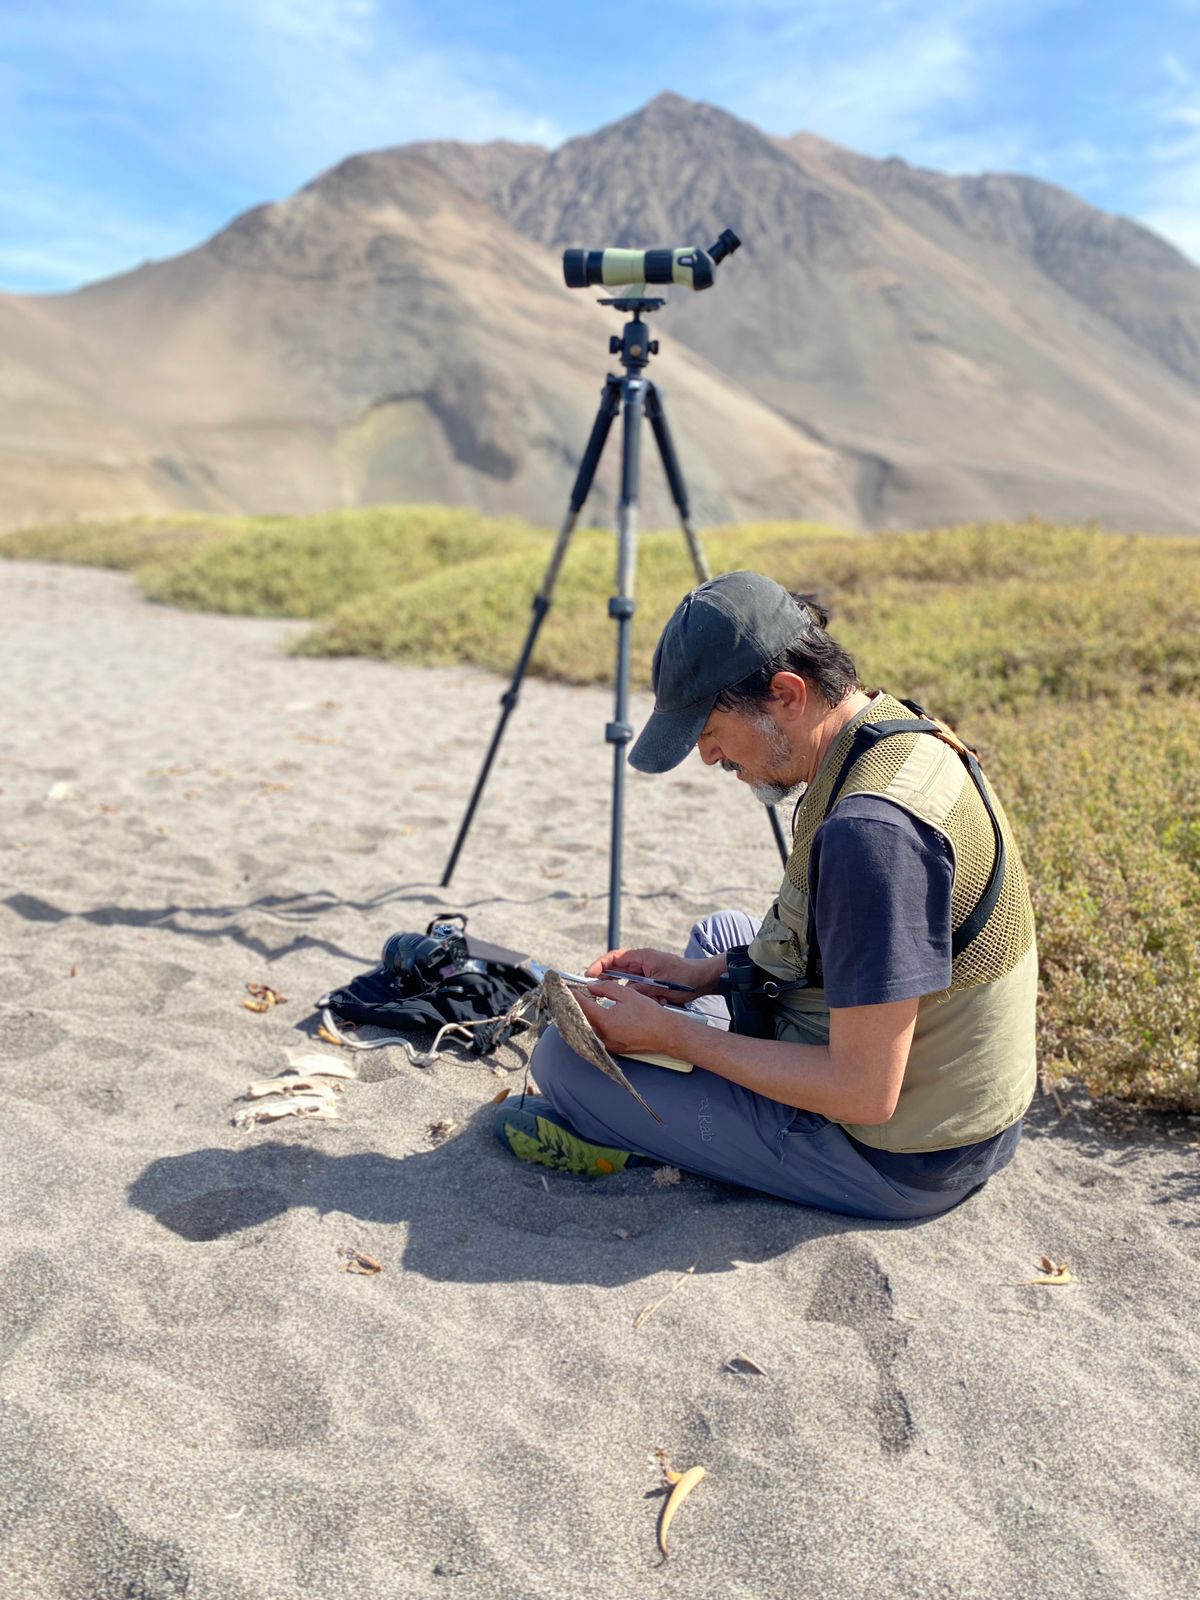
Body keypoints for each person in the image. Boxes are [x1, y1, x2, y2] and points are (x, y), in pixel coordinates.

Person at [496, 571, 1038, 1219]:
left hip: (905, 1158)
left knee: (563, 1066)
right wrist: (700, 978)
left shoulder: (872, 835)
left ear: (785, 694)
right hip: (966, 1109)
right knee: (723, 934)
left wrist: (672, 1035)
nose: (707, 755)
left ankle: (645, 1143)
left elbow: (865, 1093)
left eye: (710, 728)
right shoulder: (891, 731)